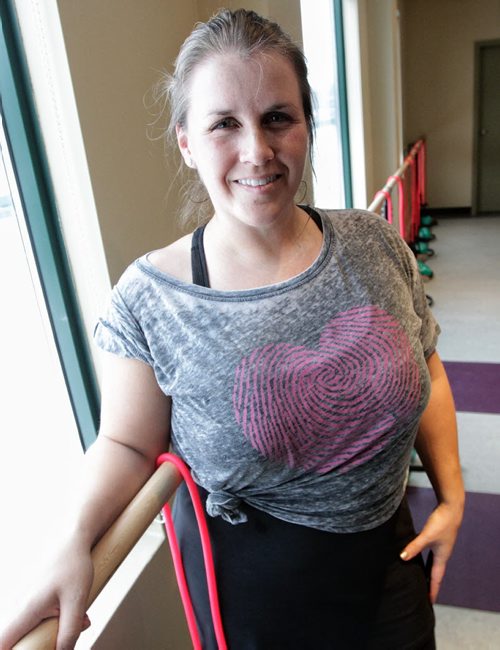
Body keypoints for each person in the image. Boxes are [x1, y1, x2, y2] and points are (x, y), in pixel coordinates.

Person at [0, 8, 464, 650]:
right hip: (261, 606)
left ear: (306, 125)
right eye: (225, 124)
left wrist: (452, 497)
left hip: (393, 567)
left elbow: (429, 364)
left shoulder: (373, 243)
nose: (258, 151)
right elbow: (127, 445)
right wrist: (70, 540)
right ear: (187, 141)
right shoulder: (151, 301)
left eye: (279, 117)